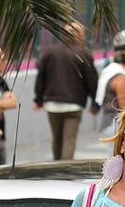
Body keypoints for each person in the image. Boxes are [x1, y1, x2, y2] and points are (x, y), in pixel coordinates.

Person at [34, 23, 99, 160]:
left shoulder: (50, 52)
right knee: (69, 139)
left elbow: (41, 77)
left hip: (52, 103)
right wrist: (95, 103)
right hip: (74, 104)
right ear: (79, 36)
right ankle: (65, 173)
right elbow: (92, 80)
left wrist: (38, 99)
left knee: (56, 139)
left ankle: (57, 170)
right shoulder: (84, 53)